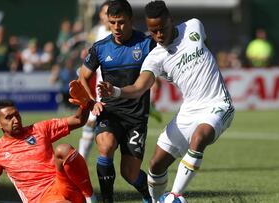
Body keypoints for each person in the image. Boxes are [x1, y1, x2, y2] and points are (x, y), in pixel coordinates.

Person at [97, 1, 235, 202]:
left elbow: (205, 45)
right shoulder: (155, 57)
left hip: (218, 103)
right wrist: (116, 91)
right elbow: (138, 88)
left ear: (171, 20)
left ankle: (175, 196)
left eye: (162, 29)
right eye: (153, 31)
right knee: (156, 164)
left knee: (199, 137)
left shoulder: (194, 26)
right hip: (189, 110)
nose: (159, 35)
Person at [78, 0, 155, 202]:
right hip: (110, 111)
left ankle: (150, 196)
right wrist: (91, 101)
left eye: (121, 22)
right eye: (112, 22)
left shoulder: (147, 44)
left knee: (129, 174)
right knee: (106, 145)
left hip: (136, 116)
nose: (116, 28)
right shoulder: (100, 48)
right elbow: (83, 76)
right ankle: (107, 199)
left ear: (131, 20)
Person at [0, 81, 97, 203]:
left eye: (17, 115)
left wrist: (84, 105)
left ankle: (90, 197)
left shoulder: (39, 129)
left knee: (64, 149)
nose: (15, 120)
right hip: (41, 197)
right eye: (9, 118)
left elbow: (78, 120)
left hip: (64, 185)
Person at [79, 0, 111, 160]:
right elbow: (87, 51)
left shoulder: (119, 32)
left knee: (94, 122)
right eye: (105, 13)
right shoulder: (96, 32)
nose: (108, 17)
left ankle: (81, 159)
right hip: (100, 84)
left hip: (114, 85)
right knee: (91, 121)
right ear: (100, 15)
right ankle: (81, 159)